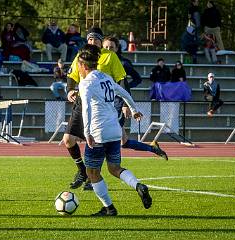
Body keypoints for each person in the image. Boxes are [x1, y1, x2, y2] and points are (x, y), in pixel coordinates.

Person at [64, 27, 168, 191]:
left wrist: (127, 106)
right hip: (82, 103)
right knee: (68, 141)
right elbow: (71, 75)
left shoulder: (110, 57)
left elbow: (121, 82)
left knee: (115, 141)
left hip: (104, 108)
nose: (93, 42)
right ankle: (84, 172)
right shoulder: (81, 54)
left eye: (96, 39)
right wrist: (70, 90)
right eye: (90, 39)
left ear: (100, 40)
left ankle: (94, 179)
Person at [78, 44, 152, 216]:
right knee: (114, 168)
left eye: (78, 66)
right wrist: (133, 110)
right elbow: (124, 92)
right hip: (114, 130)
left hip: (98, 132)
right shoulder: (106, 77)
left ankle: (109, 208)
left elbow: (86, 109)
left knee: (92, 172)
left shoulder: (86, 83)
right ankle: (138, 185)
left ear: (83, 66)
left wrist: (87, 132)